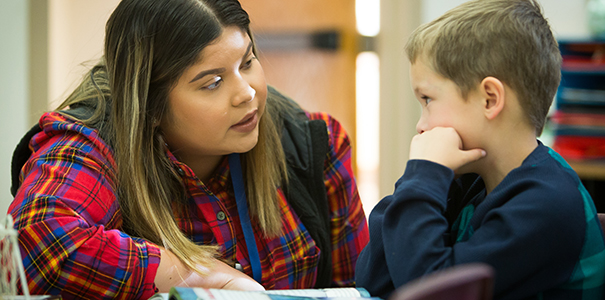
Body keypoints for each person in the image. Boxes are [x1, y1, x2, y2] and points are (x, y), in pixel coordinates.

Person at [8, 0, 369, 298]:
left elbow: (357, 288)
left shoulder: (313, 143)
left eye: (247, 62)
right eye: (212, 82)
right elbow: (39, 241)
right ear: (148, 104)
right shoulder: (91, 143)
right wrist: (199, 274)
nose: (247, 93)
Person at [355, 0, 605, 299]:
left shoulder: (547, 204)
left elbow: (429, 292)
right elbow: (375, 280)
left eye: (427, 100)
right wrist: (421, 180)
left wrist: (423, 177)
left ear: (489, 99)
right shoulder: (470, 182)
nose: (421, 125)